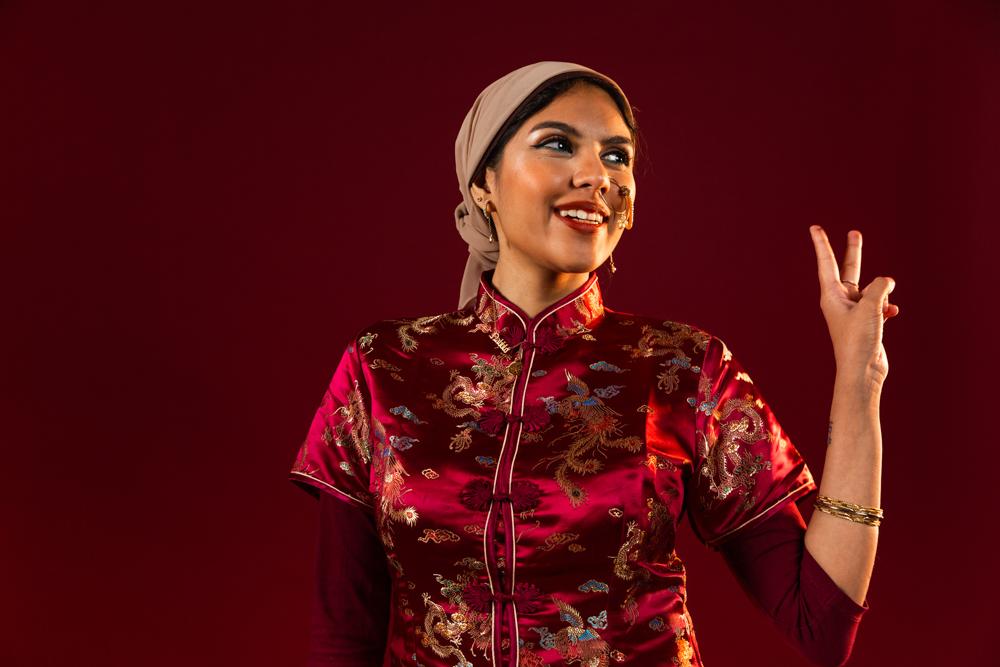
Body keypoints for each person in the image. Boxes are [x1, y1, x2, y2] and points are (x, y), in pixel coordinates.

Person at [290, 62, 897, 667]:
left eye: (616, 156)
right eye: (558, 144)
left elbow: (820, 625)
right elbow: (343, 637)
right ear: (483, 185)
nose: (597, 176)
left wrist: (858, 381)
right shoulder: (386, 365)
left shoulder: (682, 367)